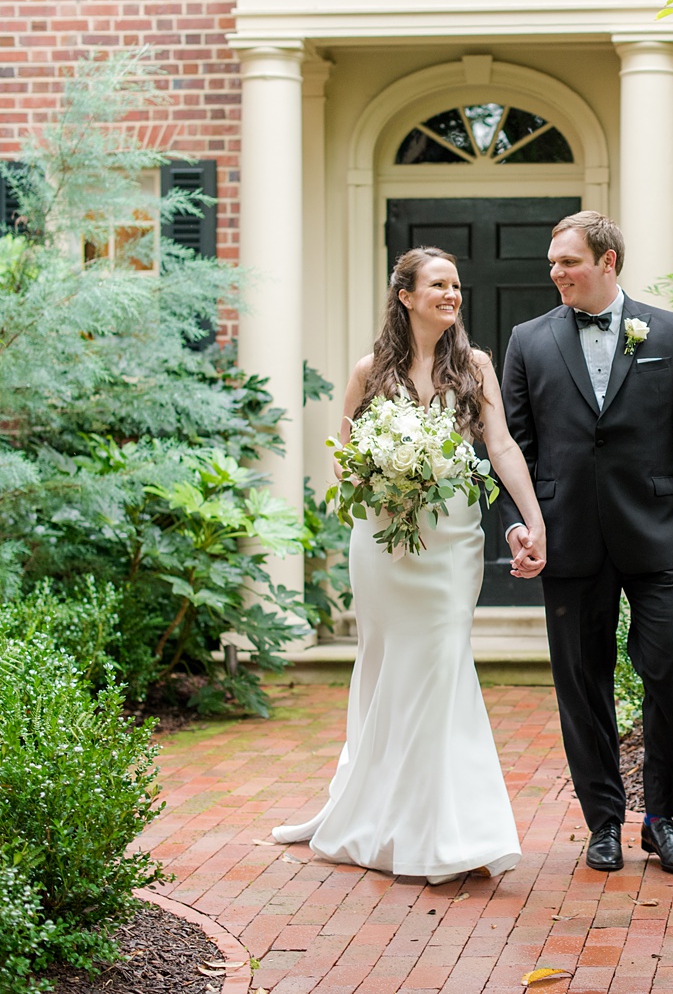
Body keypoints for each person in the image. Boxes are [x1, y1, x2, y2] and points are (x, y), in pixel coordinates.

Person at [271, 247, 548, 885]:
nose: (452, 294)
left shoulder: (474, 365)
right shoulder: (372, 370)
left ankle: (456, 830)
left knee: (443, 668)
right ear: (406, 295)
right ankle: (367, 805)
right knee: (383, 665)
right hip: (384, 542)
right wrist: (385, 478)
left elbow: (500, 445)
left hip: (452, 544)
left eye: (456, 284)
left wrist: (532, 518)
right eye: (438, 285)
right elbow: (343, 455)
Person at [499, 211, 673, 875]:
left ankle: (663, 819)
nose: (556, 272)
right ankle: (602, 819)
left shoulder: (670, 332)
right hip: (567, 536)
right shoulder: (528, 341)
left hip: (658, 531)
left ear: (608, 262)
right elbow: (512, 448)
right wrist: (519, 523)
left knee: (668, 665)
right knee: (583, 682)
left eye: (568, 261)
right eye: (552, 262)